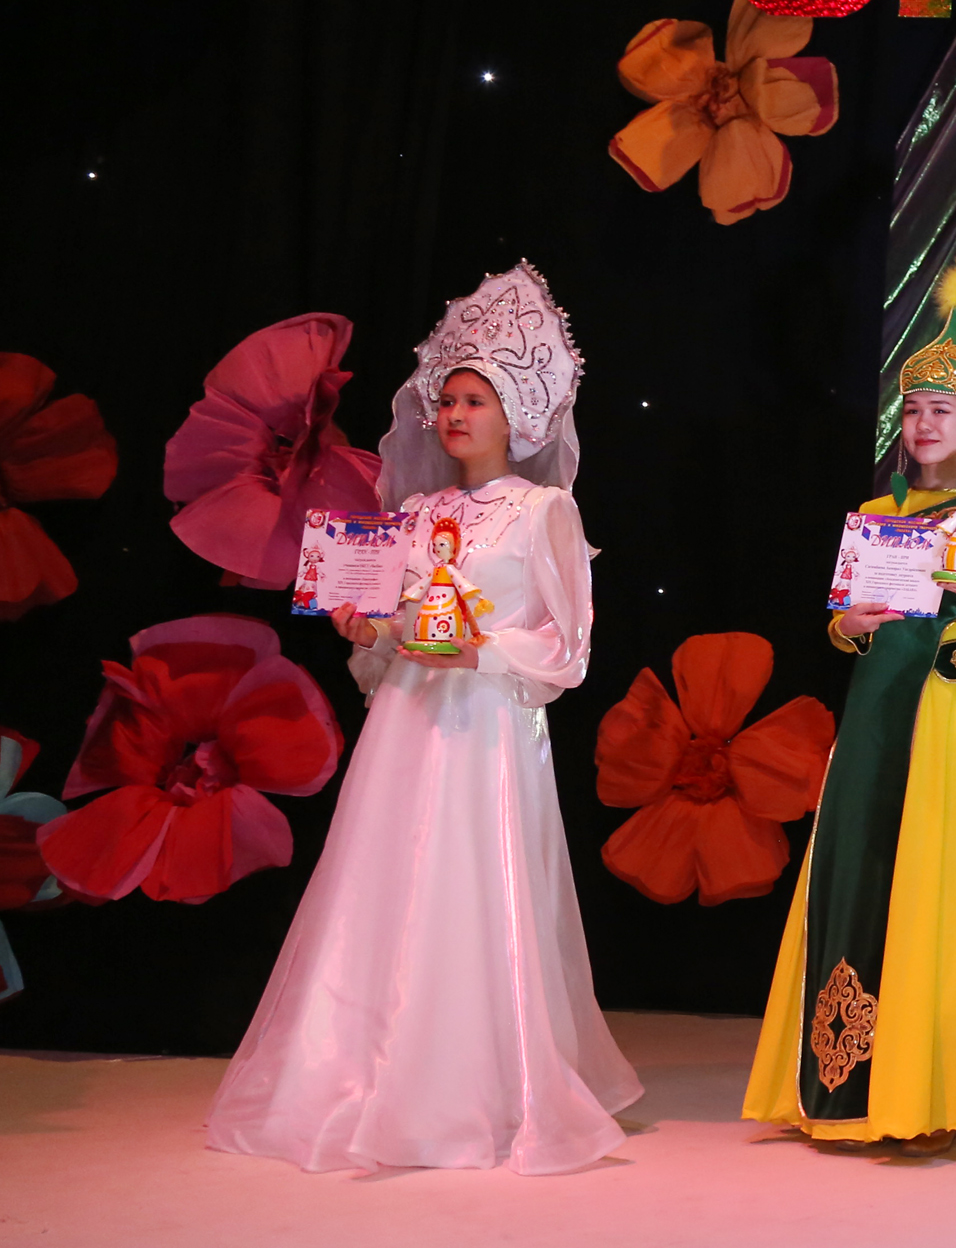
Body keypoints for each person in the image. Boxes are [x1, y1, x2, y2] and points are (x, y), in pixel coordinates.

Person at [208, 263, 640, 1173]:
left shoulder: (545, 512)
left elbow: (566, 648)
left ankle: (476, 1083)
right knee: (381, 883)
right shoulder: (411, 512)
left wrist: (479, 652)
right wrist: (366, 627)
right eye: (447, 399)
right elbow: (391, 634)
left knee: (474, 886)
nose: (454, 414)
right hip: (407, 722)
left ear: (516, 415)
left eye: (475, 400)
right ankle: (360, 1065)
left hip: (486, 729)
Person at [744, 228, 956, 1147]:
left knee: (933, 897)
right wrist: (851, 624)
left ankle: (928, 1094)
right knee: (860, 877)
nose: (923, 425)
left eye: (940, 411)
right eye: (912, 410)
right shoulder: (875, 514)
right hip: (874, 715)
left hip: (949, 716)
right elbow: (841, 622)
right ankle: (843, 1084)